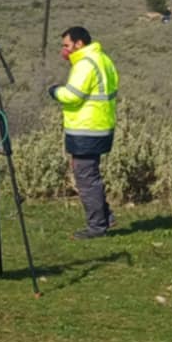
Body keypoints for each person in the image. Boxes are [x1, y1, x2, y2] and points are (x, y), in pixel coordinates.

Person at [50, 26, 120, 238]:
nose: (64, 50)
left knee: (86, 178)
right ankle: (105, 217)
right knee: (90, 175)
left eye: (66, 45)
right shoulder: (103, 59)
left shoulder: (85, 64)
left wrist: (55, 91)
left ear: (79, 44)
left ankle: (97, 227)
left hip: (86, 129)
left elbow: (73, 95)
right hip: (100, 126)